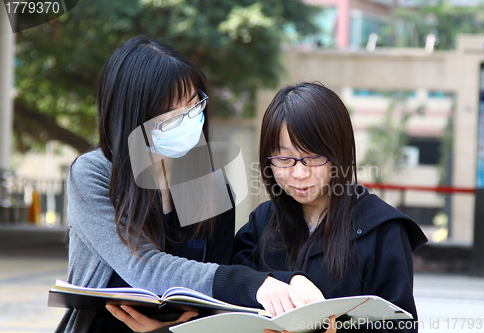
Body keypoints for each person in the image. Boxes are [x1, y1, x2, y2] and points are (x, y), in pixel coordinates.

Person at [55, 37, 324, 333]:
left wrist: (287, 280)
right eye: (170, 112)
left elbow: (213, 300)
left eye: (193, 103)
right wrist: (254, 285)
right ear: (131, 117)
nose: (187, 119)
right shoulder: (95, 174)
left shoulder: (210, 185)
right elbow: (144, 266)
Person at [233, 82, 428, 333]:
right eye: (283, 159)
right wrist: (281, 283)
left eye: (313, 158)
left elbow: (399, 326)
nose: (299, 173)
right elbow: (230, 288)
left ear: (340, 154)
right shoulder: (262, 223)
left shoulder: (383, 231)